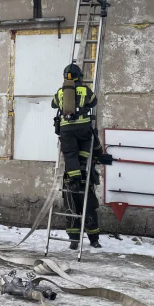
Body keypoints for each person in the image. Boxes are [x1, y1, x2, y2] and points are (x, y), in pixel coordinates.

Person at [51, 64, 102, 249]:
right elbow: (94, 102)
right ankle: (94, 240)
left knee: (70, 153)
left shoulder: (61, 91)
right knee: (83, 150)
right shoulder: (84, 89)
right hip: (83, 129)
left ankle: (73, 240)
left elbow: (53, 104)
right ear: (80, 76)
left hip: (66, 130)